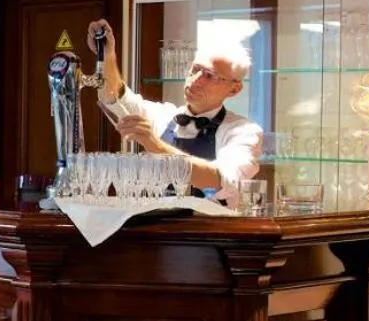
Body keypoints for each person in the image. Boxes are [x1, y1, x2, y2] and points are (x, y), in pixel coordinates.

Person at [86, 19, 262, 205]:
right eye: (195, 69)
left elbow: (221, 181)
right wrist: (107, 56)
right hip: (157, 229)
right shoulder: (161, 116)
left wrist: (155, 145)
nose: (195, 80)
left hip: (210, 231)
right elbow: (114, 97)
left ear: (234, 89)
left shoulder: (243, 132)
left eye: (209, 76)